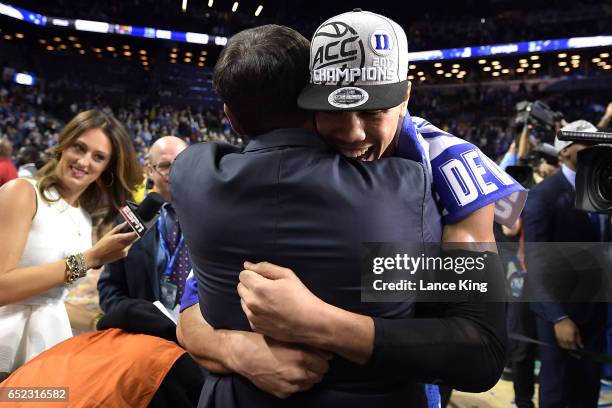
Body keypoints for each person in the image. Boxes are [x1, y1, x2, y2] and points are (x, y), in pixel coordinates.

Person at [178, 9, 516, 405]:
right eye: (335, 110)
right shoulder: (278, 162)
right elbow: (191, 312)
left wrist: (320, 322)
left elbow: (480, 349)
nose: (353, 133)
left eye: (373, 111)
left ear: (405, 96)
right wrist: (238, 350)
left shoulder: (449, 170)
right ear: (306, 106)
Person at [0, 109, 142, 375]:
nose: (84, 161)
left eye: (98, 157)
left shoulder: (83, 219)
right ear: (63, 145)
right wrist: (90, 258)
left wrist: (104, 323)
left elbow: (49, 299)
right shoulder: (22, 192)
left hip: (47, 353)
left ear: (106, 170)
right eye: (79, 148)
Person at [523, 119, 610, 407]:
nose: (597, 146)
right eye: (587, 143)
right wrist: (558, 317)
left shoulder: (602, 191)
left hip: (595, 310)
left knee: (587, 390)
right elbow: (535, 263)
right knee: (558, 392)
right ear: (564, 152)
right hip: (560, 314)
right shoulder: (543, 195)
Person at [98, 135, 190, 339]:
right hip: (142, 339)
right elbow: (109, 287)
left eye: (181, 163)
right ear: (150, 170)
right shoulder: (130, 221)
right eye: (165, 165)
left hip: (198, 339)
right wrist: (132, 316)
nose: (174, 172)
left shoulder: (211, 218)